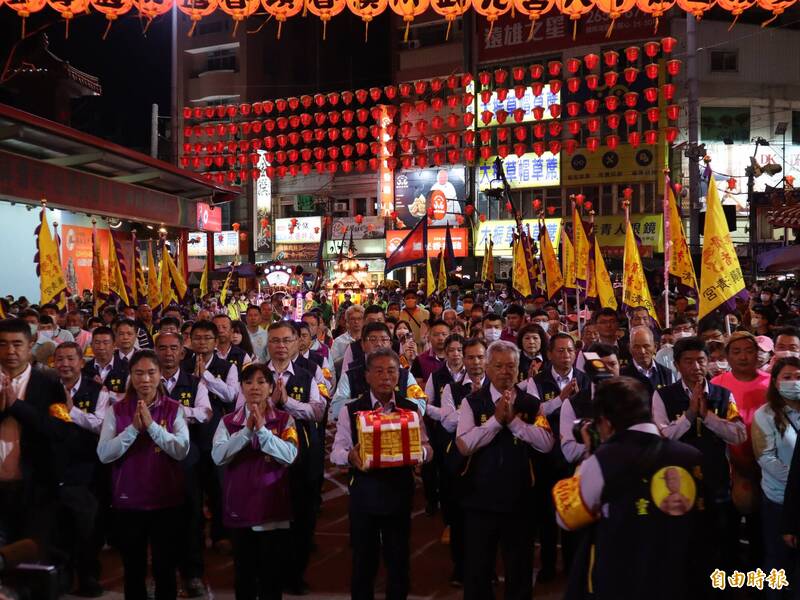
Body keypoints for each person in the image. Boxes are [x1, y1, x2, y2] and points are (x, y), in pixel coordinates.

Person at [555, 377, 703, 600]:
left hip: (623, 576)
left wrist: (589, 454)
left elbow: (567, 517)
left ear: (605, 422)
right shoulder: (691, 456)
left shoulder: (601, 460)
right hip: (682, 576)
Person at [330, 348, 434, 600]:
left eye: (392, 371)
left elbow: (428, 448)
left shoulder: (410, 409)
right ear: (366, 376)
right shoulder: (352, 410)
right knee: (363, 559)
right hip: (364, 492)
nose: (386, 376)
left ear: (399, 375)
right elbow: (336, 452)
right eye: (379, 371)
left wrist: (418, 454)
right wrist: (350, 457)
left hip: (399, 491)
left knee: (398, 558)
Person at [456, 340, 554, 600]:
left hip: (520, 499)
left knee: (520, 570)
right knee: (478, 572)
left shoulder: (532, 404)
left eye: (511, 365)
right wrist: (496, 422)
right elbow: (464, 445)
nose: (505, 371)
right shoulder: (472, 403)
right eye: (498, 366)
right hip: (480, 500)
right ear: (487, 368)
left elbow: (546, 443)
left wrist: (514, 423)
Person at [97, 350, 190, 600]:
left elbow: (181, 450)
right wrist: (133, 430)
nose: (145, 379)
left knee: (165, 568)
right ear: (131, 376)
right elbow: (104, 453)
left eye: (151, 372)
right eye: (139, 373)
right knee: (133, 568)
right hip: (129, 501)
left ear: (160, 375)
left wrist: (152, 427)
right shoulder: (116, 411)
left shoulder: (174, 409)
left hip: (166, 500)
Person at [651, 336, 747, 573]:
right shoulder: (662, 396)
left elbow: (738, 434)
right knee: (686, 545)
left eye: (701, 360)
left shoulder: (724, 395)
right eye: (688, 361)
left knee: (722, 541)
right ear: (676, 364)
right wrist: (690, 416)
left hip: (718, 480)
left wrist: (709, 417)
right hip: (678, 483)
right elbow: (662, 437)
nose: (696, 367)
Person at [212, 363, 299, 600]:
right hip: (240, 506)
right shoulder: (228, 422)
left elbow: (290, 455)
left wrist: (262, 431)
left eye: (262, 382)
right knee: (244, 575)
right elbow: (218, 456)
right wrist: (246, 433)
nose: (255, 387)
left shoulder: (284, 420)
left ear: (271, 387)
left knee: (272, 577)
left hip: (272, 509)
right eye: (249, 382)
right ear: (241, 387)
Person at [265, 321, 325, 595]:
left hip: (302, 454)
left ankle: (295, 574)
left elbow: (317, 411)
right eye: (275, 341)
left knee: (302, 516)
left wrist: (286, 403)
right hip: (265, 455)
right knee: (268, 517)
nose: (280, 346)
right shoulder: (255, 374)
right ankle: (270, 573)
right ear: (268, 343)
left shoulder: (308, 372)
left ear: (297, 342)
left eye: (286, 340)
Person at [155, 332, 212, 597]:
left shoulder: (195, 383)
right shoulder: (146, 382)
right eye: (163, 348)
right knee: (157, 523)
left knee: (191, 520)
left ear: (182, 353)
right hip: (153, 463)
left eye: (173, 348)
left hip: (187, 462)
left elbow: (204, 414)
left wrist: (172, 410)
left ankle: (193, 575)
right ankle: (162, 577)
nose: (168, 353)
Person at [53, 342, 108, 596]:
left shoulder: (98, 390)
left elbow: (101, 425)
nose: (65, 364)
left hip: (85, 469)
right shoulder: (46, 390)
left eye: (70, 359)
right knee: (57, 527)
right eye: (60, 359)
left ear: (81, 362)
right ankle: (61, 576)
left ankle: (88, 576)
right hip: (53, 468)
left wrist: (72, 411)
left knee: (87, 528)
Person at [752, 357, 800, 598]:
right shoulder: (766, 415)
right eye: (787, 378)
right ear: (775, 382)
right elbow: (766, 458)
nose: (794, 382)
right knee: (778, 562)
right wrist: (796, 484)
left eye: (798, 376)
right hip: (779, 500)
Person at [621, 326, 673, 396]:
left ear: (655, 347)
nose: (642, 351)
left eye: (646, 346)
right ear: (630, 348)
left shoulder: (667, 373)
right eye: (636, 347)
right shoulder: (622, 376)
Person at [83, 325, 129, 395]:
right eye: (97, 343)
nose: (101, 347)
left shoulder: (126, 368)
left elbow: (129, 398)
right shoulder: (85, 369)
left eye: (105, 343)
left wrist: (104, 390)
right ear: (91, 345)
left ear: (114, 345)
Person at [411, 319, 451, 384]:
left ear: (450, 336)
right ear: (429, 337)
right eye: (436, 335)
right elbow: (416, 387)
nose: (440, 338)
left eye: (444, 334)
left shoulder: (456, 358)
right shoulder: (419, 360)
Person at [331, 305, 365, 369]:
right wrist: (348, 354)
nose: (356, 322)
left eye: (359, 318)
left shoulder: (368, 339)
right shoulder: (339, 341)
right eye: (353, 319)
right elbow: (332, 364)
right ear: (347, 321)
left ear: (364, 320)